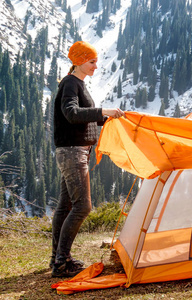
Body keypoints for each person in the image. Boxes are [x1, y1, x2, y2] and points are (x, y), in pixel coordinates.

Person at [51, 41, 124, 277]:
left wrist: (109, 119)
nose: (95, 66)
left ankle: (57, 259)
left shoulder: (76, 83)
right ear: (80, 61)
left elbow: (83, 117)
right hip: (73, 152)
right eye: (92, 61)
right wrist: (103, 111)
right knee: (83, 206)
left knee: (66, 205)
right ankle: (62, 262)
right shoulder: (71, 83)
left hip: (72, 150)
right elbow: (71, 114)